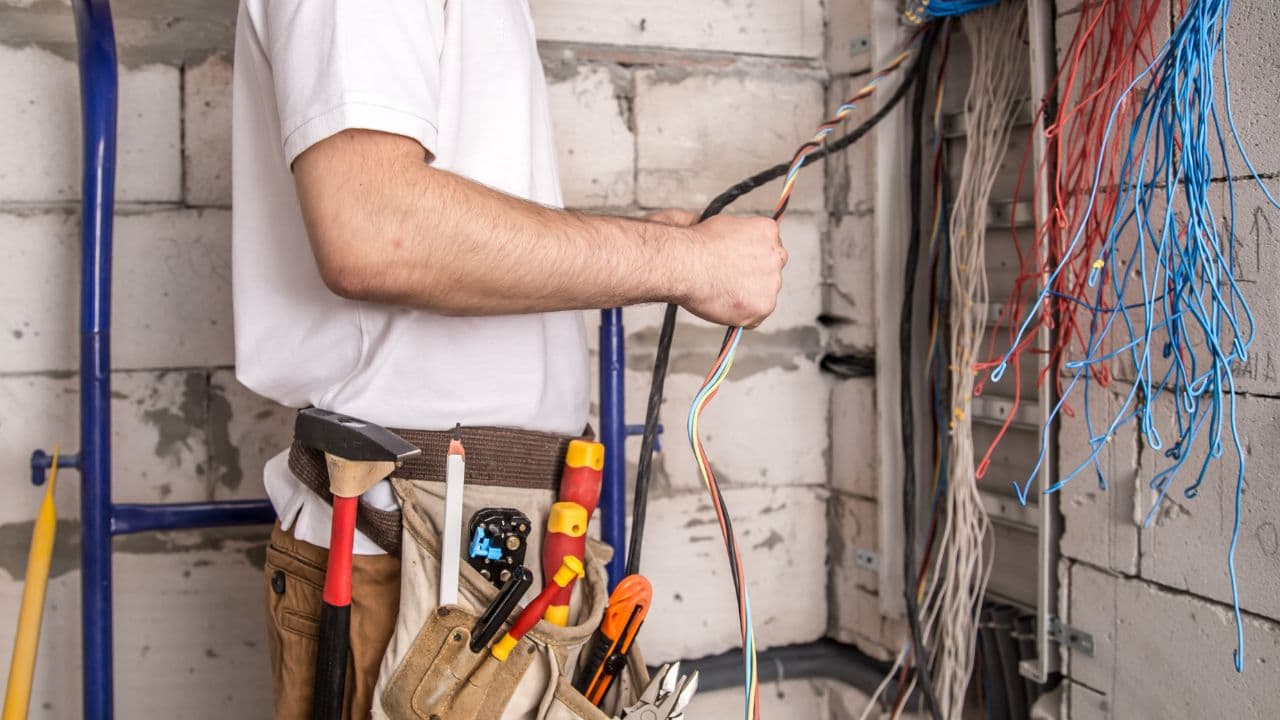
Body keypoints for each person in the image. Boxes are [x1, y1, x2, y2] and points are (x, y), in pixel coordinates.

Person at [231, 1, 787, 716]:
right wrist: (686, 263)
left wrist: (647, 246)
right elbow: (374, 230)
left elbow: (440, 222)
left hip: (516, 545)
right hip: (403, 545)